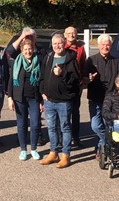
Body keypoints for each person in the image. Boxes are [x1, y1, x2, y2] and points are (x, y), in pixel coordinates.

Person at [39, 34, 80, 169]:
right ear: (52, 45)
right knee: (51, 128)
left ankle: (65, 155)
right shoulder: (49, 57)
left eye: (60, 43)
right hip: (49, 100)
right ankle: (53, 152)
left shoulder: (71, 58)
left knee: (65, 128)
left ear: (64, 43)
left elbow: (75, 79)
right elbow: (43, 76)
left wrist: (62, 73)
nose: (57, 46)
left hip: (64, 101)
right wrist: (42, 91)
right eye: (55, 43)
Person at [84, 34, 119, 158]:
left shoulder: (115, 61)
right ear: (98, 46)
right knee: (95, 125)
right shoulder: (91, 60)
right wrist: (88, 79)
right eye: (103, 45)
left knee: (108, 125)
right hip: (95, 97)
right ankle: (107, 141)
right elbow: (83, 79)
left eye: (108, 45)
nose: (105, 47)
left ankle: (102, 146)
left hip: (111, 99)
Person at [7, 39, 42, 160]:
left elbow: (42, 81)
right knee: (21, 124)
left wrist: (42, 100)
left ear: (33, 49)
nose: (28, 51)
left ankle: (33, 149)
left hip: (34, 98)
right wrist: (10, 97)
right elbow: (11, 80)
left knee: (35, 124)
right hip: (19, 98)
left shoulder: (38, 61)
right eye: (25, 49)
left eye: (30, 49)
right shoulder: (17, 62)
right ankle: (23, 149)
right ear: (22, 50)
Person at [63, 26, 87, 148]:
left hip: (77, 85)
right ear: (65, 35)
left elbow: (84, 64)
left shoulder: (81, 48)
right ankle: (64, 138)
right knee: (64, 112)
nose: (71, 35)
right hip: (63, 85)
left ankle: (76, 137)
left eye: (74, 33)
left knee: (75, 112)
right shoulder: (61, 46)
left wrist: (83, 81)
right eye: (69, 33)